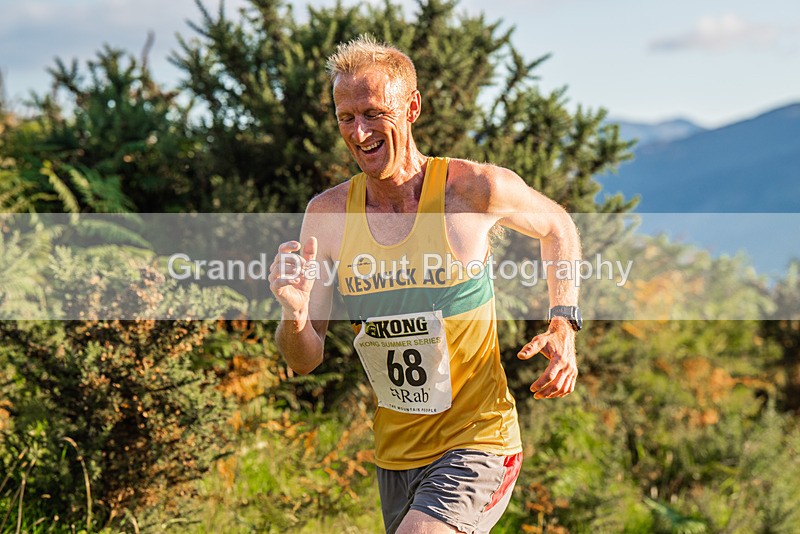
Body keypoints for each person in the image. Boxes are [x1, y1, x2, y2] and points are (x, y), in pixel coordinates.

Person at [268, 35, 581, 534]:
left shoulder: (473, 189)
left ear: (411, 107)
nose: (360, 131)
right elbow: (304, 359)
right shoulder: (326, 216)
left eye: (373, 112)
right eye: (345, 117)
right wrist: (293, 312)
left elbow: (558, 226)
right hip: (396, 456)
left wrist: (563, 321)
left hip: (479, 441)